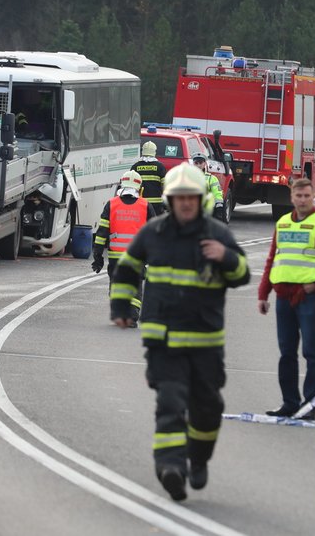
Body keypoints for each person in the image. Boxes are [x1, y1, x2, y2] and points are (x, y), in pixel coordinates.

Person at [111, 163, 249, 501]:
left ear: (200, 198)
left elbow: (243, 274)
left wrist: (226, 258)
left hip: (206, 344)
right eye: (178, 198)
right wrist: (119, 309)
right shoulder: (153, 232)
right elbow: (127, 268)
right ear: (170, 200)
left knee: (207, 408)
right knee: (170, 404)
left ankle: (198, 459)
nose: (185, 203)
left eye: (191, 197)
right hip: (164, 343)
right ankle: (171, 468)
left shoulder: (218, 234)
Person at [257, 177, 315, 420]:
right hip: (283, 297)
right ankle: (290, 403)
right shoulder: (284, 223)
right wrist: (263, 293)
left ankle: (309, 406)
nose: (302, 200)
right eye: (298, 196)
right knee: (286, 352)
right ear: (292, 198)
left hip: (309, 297)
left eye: (307, 196)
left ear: (313, 197)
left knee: (311, 352)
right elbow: (272, 260)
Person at [93, 171, 156, 326]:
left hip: (116, 258)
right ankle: (132, 313)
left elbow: (101, 233)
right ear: (139, 187)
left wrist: (98, 257)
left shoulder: (111, 204)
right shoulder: (146, 206)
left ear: (122, 184)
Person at [132, 141, 167, 215]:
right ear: (154, 152)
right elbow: (165, 186)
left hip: (140, 203)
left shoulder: (135, 166)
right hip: (156, 205)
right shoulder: (160, 167)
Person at [191, 153, 225, 222]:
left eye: (200, 163)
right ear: (193, 164)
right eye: (196, 163)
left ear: (204, 164)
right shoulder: (188, 177)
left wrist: (219, 208)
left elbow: (217, 194)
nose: (198, 165)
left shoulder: (211, 179)